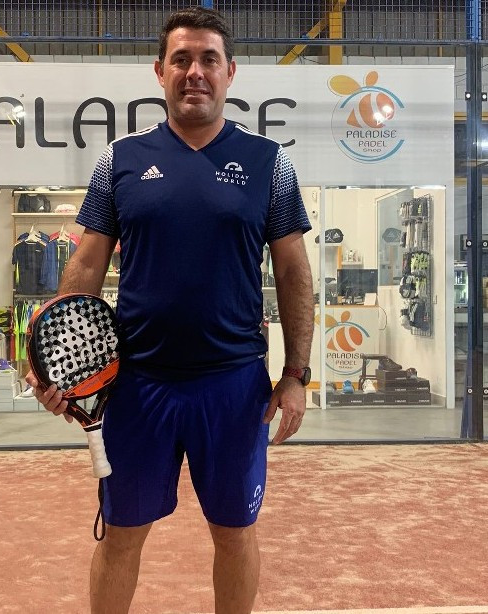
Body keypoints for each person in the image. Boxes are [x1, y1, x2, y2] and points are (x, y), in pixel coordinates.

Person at [26, 7, 314, 613]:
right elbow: (86, 264)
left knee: (234, 534)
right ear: (160, 71)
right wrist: (55, 363)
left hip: (233, 386)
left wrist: (295, 375)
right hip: (137, 387)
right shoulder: (119, 159)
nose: (195, 72)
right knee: (122, 534)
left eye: (209, 59)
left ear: (230, 72)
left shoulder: (270, 162)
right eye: (181, 59)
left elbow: (293, 272)